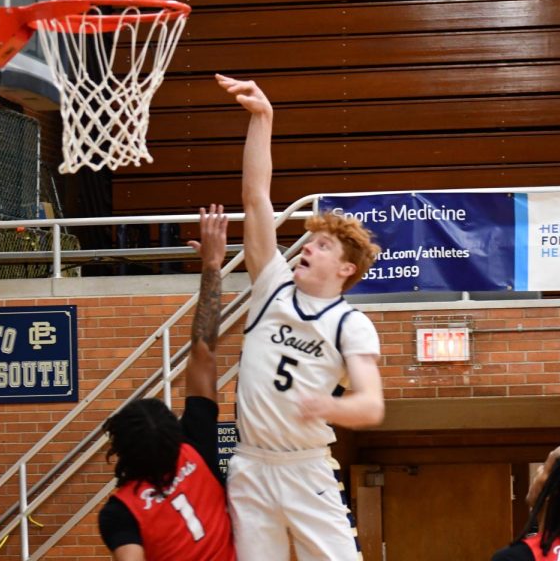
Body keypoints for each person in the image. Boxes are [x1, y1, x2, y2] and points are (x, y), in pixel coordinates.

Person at [216, 73, 384, 561]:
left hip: (306, 466)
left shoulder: (350, 323)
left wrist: (330, 407)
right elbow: (256, 198)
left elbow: (371, 406)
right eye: (309, 241)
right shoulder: (271, 286)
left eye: (323, 245)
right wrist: (263, 118)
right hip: (249, 464)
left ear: (345, 268)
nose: (307, 247)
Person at [98, 204, 236, 561]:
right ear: (175, 438)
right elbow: (203, 351)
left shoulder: (120, 511)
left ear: (120, 449)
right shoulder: (194, 448)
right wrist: (211, 265)